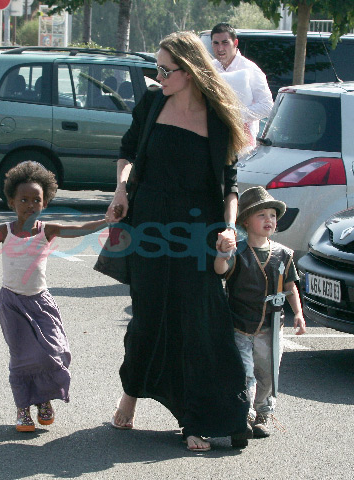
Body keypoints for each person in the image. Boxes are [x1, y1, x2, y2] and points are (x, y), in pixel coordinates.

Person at [106, 31, 252, 452]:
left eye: (165, 70)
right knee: (148, 315)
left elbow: (229, 185)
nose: (159, 76)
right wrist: (121, 189)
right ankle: (131, 394)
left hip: (196, 231)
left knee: (199, 322)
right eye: (158, 68)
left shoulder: (218, 118)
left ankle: (197, 417)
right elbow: (128, 151)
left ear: (188, 72)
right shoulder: (153, 103)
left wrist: (229, 228)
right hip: (150, 226)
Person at [0, 161, 107, 432]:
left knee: (54, 352)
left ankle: (43, 400)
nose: (30, 205)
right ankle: (23, 408)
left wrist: (108, 220)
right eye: (23, 200)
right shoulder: (3, 231)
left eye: (36, 200)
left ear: (45, 202)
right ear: (11, 202)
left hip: (41, 302)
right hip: (12, 303)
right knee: (22, 358)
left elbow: (80, 229)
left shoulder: (47, 230)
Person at [215, 186, 306, 437]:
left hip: (271, 325)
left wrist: (298, 313)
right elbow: (220, 270)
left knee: (268, 372)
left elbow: (290, 286)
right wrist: (222, 254)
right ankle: (244, 414)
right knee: (245, 372)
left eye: (272, 216)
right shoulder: (238, 251)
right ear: (246, 221)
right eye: (261, 215)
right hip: (240, 324)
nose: (269, 220)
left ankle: (263, 413)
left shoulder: (284, 254)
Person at [210, 23, 273, 148]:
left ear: (235, 43)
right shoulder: (210, 68)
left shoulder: (250, 69)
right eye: (216, 43)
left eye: (225, 43)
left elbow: (267, 106)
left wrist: (233, 114)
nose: (220, 48)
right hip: (215, 137)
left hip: (243, 143)